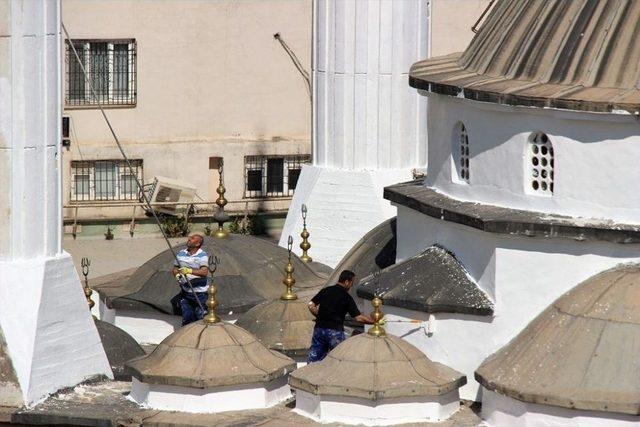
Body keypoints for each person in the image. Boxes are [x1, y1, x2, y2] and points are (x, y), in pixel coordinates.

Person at [307, 270, 374, 363]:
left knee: (314, 359)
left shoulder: (326, 290)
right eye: (351, 283)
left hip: (319, 329)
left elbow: (311, 305)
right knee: (338, 359)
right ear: (346, 282)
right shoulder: (346, 297)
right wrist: (373, 321)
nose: (351, 286)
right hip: (334, 331)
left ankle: (309, 374)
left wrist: (320, 316)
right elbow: (358, 318)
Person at [171, 234, 209, 325]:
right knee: (187, 317)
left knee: (200, 317)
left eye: (192, 239)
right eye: (189, 238)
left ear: (197, 244)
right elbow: (175, 269)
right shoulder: (181, 253)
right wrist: (177, 275)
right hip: (186, 291)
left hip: (199, 293)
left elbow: (204, 272)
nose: (189, 239)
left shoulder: (202, 255)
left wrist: (189, 271)